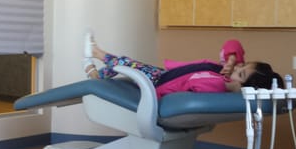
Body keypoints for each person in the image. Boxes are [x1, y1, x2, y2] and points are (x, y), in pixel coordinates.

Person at [82, 33, 282, 98]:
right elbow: (232, 43)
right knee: (128, 65)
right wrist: (231, 60)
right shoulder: (225, 72)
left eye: (242, 73)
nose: (237, 68)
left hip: (158, 84)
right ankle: (97, 77)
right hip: (162, 74)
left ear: (244, 88)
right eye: (242, 65)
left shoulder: (218, 85)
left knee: (125, 63)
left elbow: (191, 84)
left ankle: (96, 52)